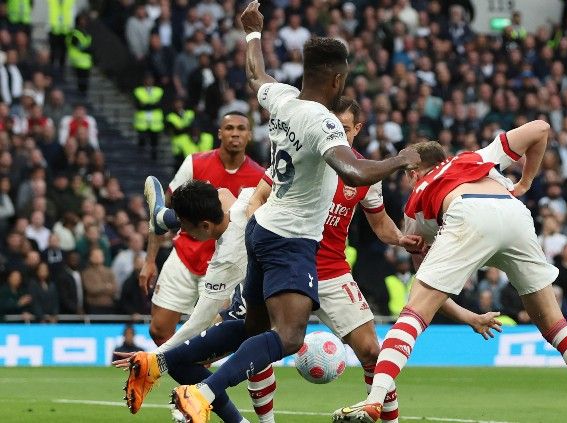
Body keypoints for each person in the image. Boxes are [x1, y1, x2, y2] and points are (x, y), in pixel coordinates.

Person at [128, 3, 419, 422]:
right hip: (292, 238)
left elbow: (255, 75)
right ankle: (204, 393)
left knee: (253, 329)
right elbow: (352, 170)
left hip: (262, 229)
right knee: (286, 337)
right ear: (338, 79)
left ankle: (156, 362)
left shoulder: (281, 98)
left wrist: (252, 34)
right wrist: (400, 159)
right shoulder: (323, 122)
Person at [333, 120, 567, 423]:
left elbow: (429, 286)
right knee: (556, 325)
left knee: (413, 312)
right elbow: (541, 128)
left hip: (466, 211)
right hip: (514, 214)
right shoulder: (475, 156)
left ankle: (375, 399)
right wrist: (524, 182)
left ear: (412, 173)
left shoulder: (415, 204)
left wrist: (457, 313)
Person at [141, 110, 268, 347]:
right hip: (185, 255)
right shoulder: (195, 163)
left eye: (241, 129)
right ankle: (184, 373)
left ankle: (196, 381)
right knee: (158, 330)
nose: (235, 134)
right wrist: (150, 260)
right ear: (220, 133)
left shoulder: (260, 177)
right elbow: (165, 210)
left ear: (249, 135)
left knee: (208, 338)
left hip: (224, 262)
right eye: (229, 128)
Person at [133, 74, 164, 160]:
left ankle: (154, 160)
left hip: (155, 123)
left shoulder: (159, 91)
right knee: (141, 143)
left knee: (154, 144)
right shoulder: (138, 91)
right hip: (142, 123)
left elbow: (160, 105)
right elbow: (138, 105)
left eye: (151, 79)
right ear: (144, 81)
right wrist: (153, 104)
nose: (149, 81)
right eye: (147, 79)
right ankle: (140, 159)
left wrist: (145, 104)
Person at [66, 14, 92, 95]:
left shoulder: (86, 32)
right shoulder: (74, 33)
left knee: (85, 84)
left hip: (86, 62)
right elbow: (77, 45)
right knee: (80, 82)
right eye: (82, 20)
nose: (84, 22)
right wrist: (88, 49)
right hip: (77, 61)